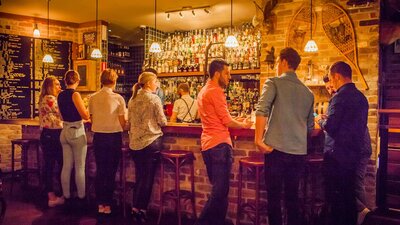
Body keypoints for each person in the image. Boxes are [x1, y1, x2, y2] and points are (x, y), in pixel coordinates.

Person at [255, 47, 314, 225]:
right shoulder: (308, 93)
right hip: (298, 154)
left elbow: (262, 109)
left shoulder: (273, 82)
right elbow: (310, 127)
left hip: (276, 150)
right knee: (292, 198)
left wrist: (258, 139)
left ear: (283, 62)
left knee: (274, 198)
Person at [196, 59, 253, 225]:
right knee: (220, 192)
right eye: (227, 73)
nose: (230, 77)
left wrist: (236, 119)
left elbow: (220, 117)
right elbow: (226, 121)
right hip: (219, 145)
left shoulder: (204, 90)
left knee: (220, 191)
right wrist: (243, 124)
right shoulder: (215, 91)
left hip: (208, 145)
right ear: (217, 73)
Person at [315, 61, 369, 225]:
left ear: (337, 77)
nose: (330, 83)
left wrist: (320, 120)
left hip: (336, 157)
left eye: (331, 79)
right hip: (352, 155)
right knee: (348, 198)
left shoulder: (339, 98)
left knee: (334, 199)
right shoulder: (361, 98)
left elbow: (331, 126)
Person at [127, 72, 167, 222]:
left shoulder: (132, 99)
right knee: (148, 178)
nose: (157, 84)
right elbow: (163, 122)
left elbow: (129, 121)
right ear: (149, 83)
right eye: (156, 81)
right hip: (151, 142)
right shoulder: (154, 98)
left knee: (140, 176)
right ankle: (141, 210)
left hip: (135, 143)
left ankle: (134, 208)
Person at [88, 69, 126, 215]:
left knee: (100, 170)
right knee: (110, 172)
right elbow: (123, 122)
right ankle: (108, 204)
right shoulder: (118, 98)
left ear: (101, 81)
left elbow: (91, 118)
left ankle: (100, 204)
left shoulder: (93, 97)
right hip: (113, 137)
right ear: (114, 81)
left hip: (99, 137)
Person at [58, 70, 90, 207]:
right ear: (77, 80)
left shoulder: (60, 95)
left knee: (66, 166)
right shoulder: (75, 94)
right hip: (76, 132)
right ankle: (82, 198)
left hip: (64, 131)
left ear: (65, 81)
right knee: (80, 167)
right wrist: (88, 110)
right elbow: (85, 115)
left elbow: (61, 116)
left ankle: (67, 196)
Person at [38, 76, 64, 207]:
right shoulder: (50, 99)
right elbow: (63, 113)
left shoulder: (46, 98)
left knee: (51, 165)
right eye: (57, 85)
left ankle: (53, 194)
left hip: (48, 135)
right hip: (52, 135)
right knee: (54, 165)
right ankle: (52, 197)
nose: (60, 87)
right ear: (50, 87)